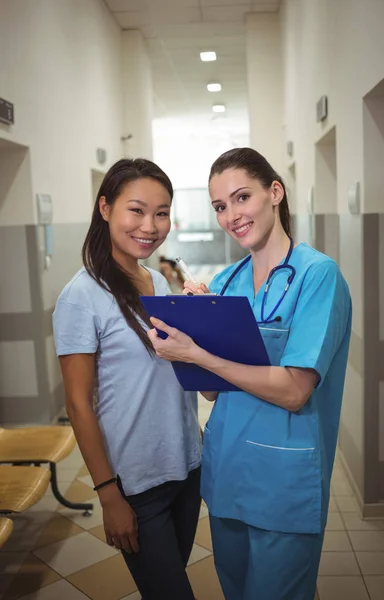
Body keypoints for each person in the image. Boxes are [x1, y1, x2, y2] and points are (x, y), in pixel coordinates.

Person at [147, 147, 352, 600]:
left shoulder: (318, 276)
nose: (231, 215)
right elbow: (213, 396)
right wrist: (194, 329)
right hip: (227, 474)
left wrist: (200, 354)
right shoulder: (224, 283)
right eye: (220, 206)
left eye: (241, 198)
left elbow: (296, 390)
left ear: (274, 192)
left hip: (284, 480)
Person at [52, 158, 201, 600]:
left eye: (161, 212)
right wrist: (108, 494)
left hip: (186, 469)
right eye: (136, 210)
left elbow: (177, 369)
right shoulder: (81, 296)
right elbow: (78, 404)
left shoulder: (157, 279)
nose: (150, 226)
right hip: (135, 484)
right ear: (105, 208)